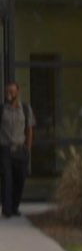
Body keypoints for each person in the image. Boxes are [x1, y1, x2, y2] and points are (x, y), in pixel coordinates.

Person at [0, 80, 35, 217]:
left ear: (17, 92)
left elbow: (29, 129)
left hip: (21, 149)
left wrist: (28, 148)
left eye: (12, 91)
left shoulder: (26, 108)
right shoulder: (2, 109)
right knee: (7, 180)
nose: (9, 94)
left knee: (20, 180)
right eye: (7, 91)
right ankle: (7, 210)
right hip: (5, 149)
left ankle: (15, 207)